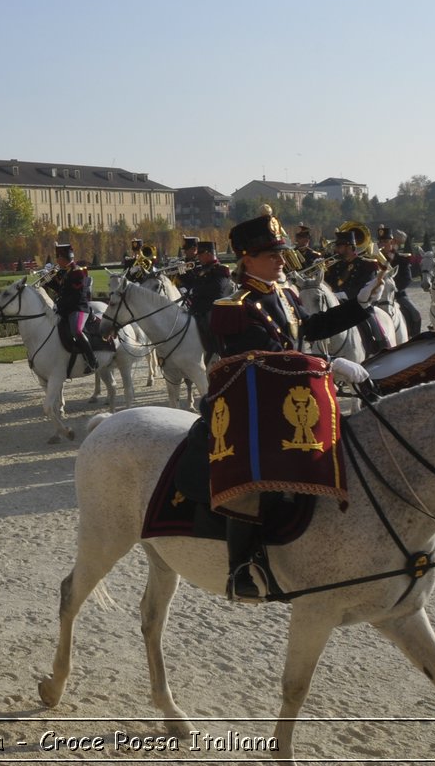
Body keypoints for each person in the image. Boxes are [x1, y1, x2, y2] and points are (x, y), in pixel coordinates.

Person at [207, 208, 371, 601]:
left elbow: (309, 330)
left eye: (281, 253)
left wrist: (359, 307)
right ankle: (240, 566)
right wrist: (330, 365)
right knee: (249, 479)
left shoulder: (284, 292)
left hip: (290, 391)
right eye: (272, 254)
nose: (282, 260)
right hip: (252, 402)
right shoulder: (235, 306)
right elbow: (263, 361)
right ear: (247, 258)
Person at [323, 223, 389, 354]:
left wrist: (343, 294)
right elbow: (328, 284)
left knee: (372, 323)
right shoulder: (334, 266)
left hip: (358, 304)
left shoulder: (367, 265)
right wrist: (320, 272)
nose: (336, 249)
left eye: (339, 246)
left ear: (349, 247)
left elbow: (365, 286)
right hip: (337, 305)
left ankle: (383, 350)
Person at [39, 243, 97, 374]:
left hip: (78, 308)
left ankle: (92, 360)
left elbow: (75, 296)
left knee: (76, 330)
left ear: (64, 258)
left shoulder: (77, 272)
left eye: (58, 257)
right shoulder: (67, 272)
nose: (57, 261)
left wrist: (60, 306)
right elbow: (62, 290)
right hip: (66, 308)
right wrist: (48, 280)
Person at [181, 239, 234, 358]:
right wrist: (182, 275)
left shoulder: (221, 269)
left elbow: (218, 288)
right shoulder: (202, 269)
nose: (198, 257)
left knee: (210, 323)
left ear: (209, 254)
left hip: (213, 307)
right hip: (198, 307)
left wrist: (196, 290)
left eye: (200, 254)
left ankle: (217, 351)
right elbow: (193, 283)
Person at [378, 225, 423, 336]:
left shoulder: (402, 259)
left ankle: (414, 339)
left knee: (415, 314)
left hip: (397, 294)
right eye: (381, 241)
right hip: (378, 296)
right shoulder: (374, 260)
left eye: (385, 241)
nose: (382, 244)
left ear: (392, 242)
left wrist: (393, 289)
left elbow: (407, 279)